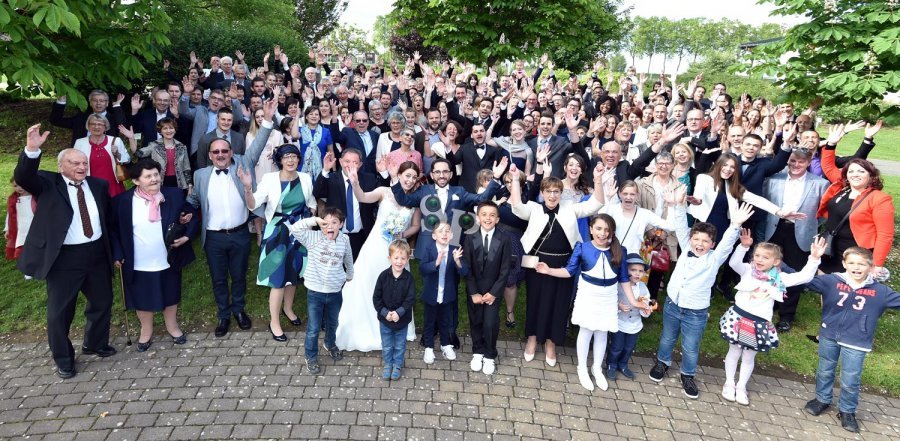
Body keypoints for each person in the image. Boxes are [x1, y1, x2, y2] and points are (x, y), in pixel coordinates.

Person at [15, 124, 117, 379]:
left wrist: (114, 252)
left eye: (83, 163)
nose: (81, 167)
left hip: (96, 254)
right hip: (64, 258)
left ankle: (94, 343)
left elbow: (108, 221)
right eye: (74, 163)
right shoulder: (48, 183)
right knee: (60, 312)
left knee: (102, 302)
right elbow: (24, 177)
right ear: (61, 166)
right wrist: (31, 149)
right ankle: (64, 359)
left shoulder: (98, 185)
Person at [649, 187, 755, 399]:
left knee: (690, 346)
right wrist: (677, 205)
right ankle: (662, 363)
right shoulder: (686, 247)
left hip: (695, 312)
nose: (699, 244)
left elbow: (727, 244)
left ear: (712, 244)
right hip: (673, 304)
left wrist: (735, 225)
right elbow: (680, 225)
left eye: (705, 241)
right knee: (667, 339)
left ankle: (687, 374)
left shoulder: (715, 259)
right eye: (696, 240)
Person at [186, 99, 276, 337]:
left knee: (238, 276)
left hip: (238, 235)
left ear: (231, 152)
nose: (220, 155)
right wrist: (183, 206)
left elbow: (258, 144)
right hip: (214, 238)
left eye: (224, 151)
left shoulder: (243, 163)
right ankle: (223, 315)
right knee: (218, 279)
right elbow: (196, 200)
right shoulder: (200, 175)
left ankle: (239, 310)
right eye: (215, 152)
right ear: (210, 155)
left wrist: (267, 119)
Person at [508, 162, 606, 366]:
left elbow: (596, 204)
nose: (552, 196)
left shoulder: (571, 208)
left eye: (556, 192)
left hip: (564, 264)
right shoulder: (534, 209)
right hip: (538, 264)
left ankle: (551, 343)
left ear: (561, 193)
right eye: (548, 192)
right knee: (535, 301)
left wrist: (597, 179)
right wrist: (516, 179)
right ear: (542, 193)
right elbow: (517, 207)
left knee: (559, 304)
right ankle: (533, 339)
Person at [536, 214, 648, 391]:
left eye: (606, 230)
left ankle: (597, 368)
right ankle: (582, 367)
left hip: (609, 296)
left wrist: (634, 301)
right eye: (598, 229)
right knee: (586, 330)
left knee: (602, 332)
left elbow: (624, 279)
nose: (602, 233)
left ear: (612, 232)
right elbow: (569, 271)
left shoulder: (620, 250)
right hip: (589, 294)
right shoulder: (582, 247)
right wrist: (549, 270)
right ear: (590, 229)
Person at [719, 231, 825, 405]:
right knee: (734, 351)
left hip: (758, 323)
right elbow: (733, 262)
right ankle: (729, 383)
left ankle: (741, 387)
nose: (759, 260)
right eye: (757, 255)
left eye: (765, 257)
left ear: (776, 262)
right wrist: (743, 246)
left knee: (748, 357)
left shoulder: (780, 278)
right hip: (738, 318)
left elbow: (804, 277)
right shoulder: (747, 270)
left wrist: (814, 259)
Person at [804, 247, 900, 434]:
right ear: (844, 264)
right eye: (852, 263)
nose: (856, 267)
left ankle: (847, 411)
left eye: (862, 264)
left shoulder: (881, 291)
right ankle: (822, 399)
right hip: (829, 335)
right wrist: (781, 264)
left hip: (857, 341)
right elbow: (801, 280)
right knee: (825, 370)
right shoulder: (832, 281)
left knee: (850, 379)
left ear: (870, 267)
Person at [110, 159, 199, 352]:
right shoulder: (123, 202)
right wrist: (117, 253)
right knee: (141, 297)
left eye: (156, 175)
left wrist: (186, 235)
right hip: (138, 260)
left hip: (167, 257)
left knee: (170, 293)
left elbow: (190, 214)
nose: (154, 179)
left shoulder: (173, 195)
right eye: (148, 176)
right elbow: (114, 231)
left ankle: (173, 327)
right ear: (136, 181)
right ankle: (146, 331)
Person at [337, 161, 422, 352]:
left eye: (413, 177)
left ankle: (393, 326)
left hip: (398, 251)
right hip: (376, 247)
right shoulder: (384, 191)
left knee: (397, 289)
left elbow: (416, 226)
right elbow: (363, 197)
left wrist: (403, 235)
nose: (410, 180)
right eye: (407, 175)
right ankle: (365, 328)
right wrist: (355, 183)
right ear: (399, 174)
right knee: (368, 284)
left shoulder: (415, 201)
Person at [241, 144, 317, 341]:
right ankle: (274, 322)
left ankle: (288, 309)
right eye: (286, 157)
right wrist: (248, 189)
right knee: (278, 278)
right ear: (280, 160)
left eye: (294, 156)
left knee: (294, 272)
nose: (290, 160)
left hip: (299, 231)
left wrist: (313, 214)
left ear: (298, 160)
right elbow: (253, 204)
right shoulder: (270, 179)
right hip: (277, 232)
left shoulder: (306, 178)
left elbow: (311, 202)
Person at [762, 149, 830, 331]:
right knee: (770, 268)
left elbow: (823, 214)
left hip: (800, 232)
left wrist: (809, 224)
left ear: (808, 162)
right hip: (775, 228)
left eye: (801, 162)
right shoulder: (774, 180)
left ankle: (786, 315)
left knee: (794, 272)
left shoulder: (820, 184)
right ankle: (769, 303)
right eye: (792, 161)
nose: (796, 165)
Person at [288, 208, 354, 375]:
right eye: (326, 223)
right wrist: (314, 221)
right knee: (313, 327)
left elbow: (348, 259)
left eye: (334, 223)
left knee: (333, 323)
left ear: (341, 224)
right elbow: (294, 228)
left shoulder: (345, 240)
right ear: (321, 224)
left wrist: (349, 275)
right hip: (315, 292)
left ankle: (330, 344)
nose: (330, 226)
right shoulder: (313, 238)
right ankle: (310, 356)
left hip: (334, 291)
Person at [817, 150, 894, 277]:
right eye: (851, 171)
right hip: (830, 247)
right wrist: (831, 145)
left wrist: (877, 264)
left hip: (856, 254)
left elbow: (885, 235)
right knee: (827, 288)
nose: (855, 175)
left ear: (871, 176)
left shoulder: (879, 198)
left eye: (861, 171)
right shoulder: (843, 190)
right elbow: (828, 166)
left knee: (848, 290)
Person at [463, 201, 513, 376]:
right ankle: (477, 351)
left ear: (498, 219)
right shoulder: (470, 237)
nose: (488, 218)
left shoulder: (505, 238)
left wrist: (494, 293)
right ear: (478, 217)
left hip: (493, 289)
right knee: (476, 320)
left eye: (492, 215)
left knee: (490, 323)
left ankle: (490, 354)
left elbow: (506, 269)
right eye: (484, 214)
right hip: (475, 289)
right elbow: (466, 267)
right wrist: (473, 292)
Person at [314, 149, 379, 259]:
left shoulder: (369, 179)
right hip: (336, 234)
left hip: (361, 234)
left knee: (357, 269)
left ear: (361, 164)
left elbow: (382, 195)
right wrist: (325, 170)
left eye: (355, 162)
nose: (350, 165)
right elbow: (317, 192)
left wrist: (383, 173)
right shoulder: (331, 178)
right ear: (340, 162)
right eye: (347, 161)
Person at [419, 222, 468, 365]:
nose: (445, 234)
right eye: (441, 231)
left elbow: (464, 272)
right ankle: (428, 347)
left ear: (452, 235)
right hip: (431, 294)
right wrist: (436, 262)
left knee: (446, 321)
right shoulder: (429, 250)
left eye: (447, 231)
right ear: (434, 236)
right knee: (429, 322)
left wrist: (458, 262)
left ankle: (445, 344)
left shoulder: (455, 250)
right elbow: (422, 269)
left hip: (447, 294)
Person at [373, 240, 417, 380]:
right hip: (385, 321)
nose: (399, 262)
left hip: (401, 320)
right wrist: (385, 313)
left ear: (407, 259)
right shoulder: (383, 276)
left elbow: (410, 299)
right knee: (387, 345)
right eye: (396, 258)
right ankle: (388, 364)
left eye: (403, 258)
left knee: (399, 345)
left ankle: (397, 365)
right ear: (389, 258)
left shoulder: (409, 278)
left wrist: (399, 312)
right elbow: (376, 298)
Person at [607, 254, 653, 381]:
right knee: (617, 346)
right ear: (625, 270)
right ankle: (611, 364)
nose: (637, 274)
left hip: (634, 324)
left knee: (629, 347)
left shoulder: (643, 288)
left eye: (640, 271)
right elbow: (609, 300)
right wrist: (618, 306)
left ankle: (623, 364)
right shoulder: (618, 284)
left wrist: (646, 310)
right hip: (620, 322)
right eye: (633, 270)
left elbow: (646, 303)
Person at [128, 118, 193, 194]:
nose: (168, 131)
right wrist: (131, 138)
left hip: (179, 184)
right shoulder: (154, 145)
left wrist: (190, 186)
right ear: (160, 131)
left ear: (175, 130)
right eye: (165, 128)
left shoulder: (182, 147)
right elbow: (138, 153)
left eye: (171, 128)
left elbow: (186, 169)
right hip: (160, 182)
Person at [73, 114, 131, 198]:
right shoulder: (80, 143)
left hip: (112, 184)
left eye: (100, 124)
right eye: (93, 124)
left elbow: (127, 160)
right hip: (90, 184)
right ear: (88, 126)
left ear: (105, 127)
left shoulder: (116, 141)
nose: (96, 127)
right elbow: (74, 163)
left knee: (114, 208)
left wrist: (117, 153)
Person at [50, 90, 125, 145]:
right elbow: (56, 121)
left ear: (107, 103)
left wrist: (117, 105)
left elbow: (122, 125)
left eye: (102, 101)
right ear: (90, 103)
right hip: (81, 157)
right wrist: (61, 102)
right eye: (95, 100)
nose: (98, 103)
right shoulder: (81, 118)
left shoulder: (114, 119)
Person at [5, 179, 35, 264]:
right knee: (23, 248)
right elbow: (9, 215)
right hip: (21, 228)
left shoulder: (34, 197)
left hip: (33, 226)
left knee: (34, 246)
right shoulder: (13, 200)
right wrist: (8, 229)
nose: (19, 188)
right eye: (15, 186)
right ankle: (27, 268)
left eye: (21, 185)